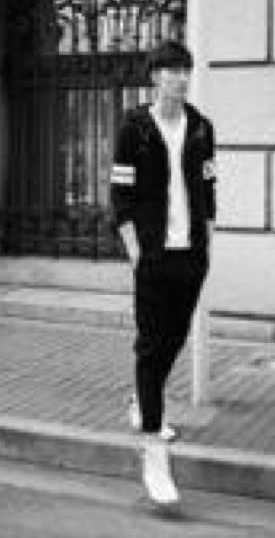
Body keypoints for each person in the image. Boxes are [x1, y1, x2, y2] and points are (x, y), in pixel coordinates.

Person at [110, 40, 216, 505]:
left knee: (174, 339)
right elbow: (120, 195)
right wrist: (136, 252)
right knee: (152, 348)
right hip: (153, 256)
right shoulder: (134, 128)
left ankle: (141, 398)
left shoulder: (202, 128)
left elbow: (209, 188)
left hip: (190, 255)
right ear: (155, 77)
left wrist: (206, 243)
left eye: (186, 70)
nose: (181, 78)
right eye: (172, 70)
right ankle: (154, 453)